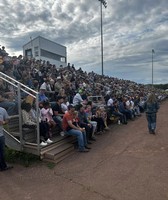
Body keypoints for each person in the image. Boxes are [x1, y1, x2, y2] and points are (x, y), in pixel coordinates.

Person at [0, 107, 13, 171]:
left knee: (2, 151)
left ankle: (3, 166)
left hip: (0, 135)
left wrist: (4, 122)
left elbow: (7, 119)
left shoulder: (2, 110)